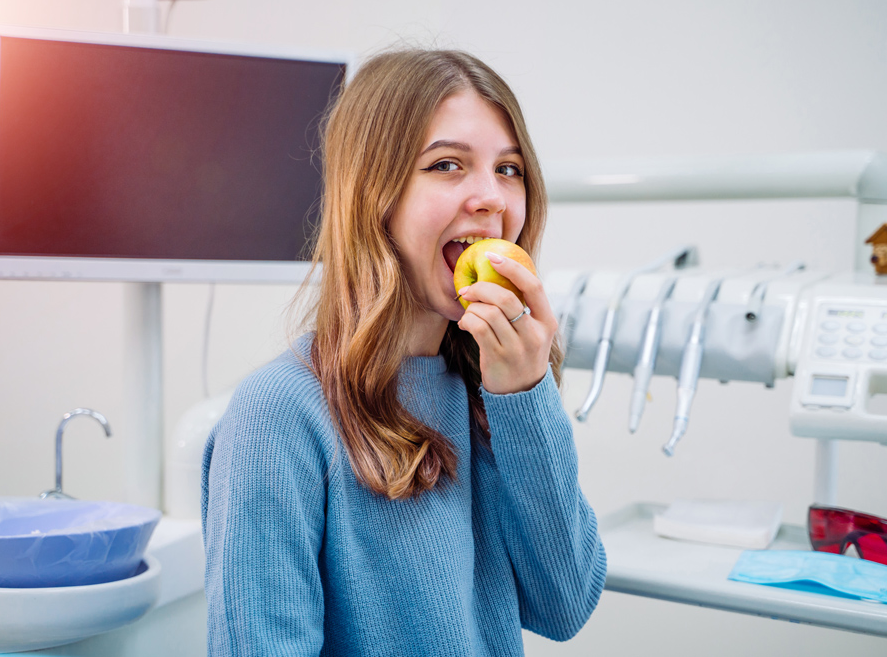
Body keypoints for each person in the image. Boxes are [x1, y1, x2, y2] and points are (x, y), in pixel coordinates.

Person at [201, 47, 606, 656]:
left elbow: (565, 605)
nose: (492, 198)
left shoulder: (492, 389)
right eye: (447, 165)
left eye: (510, 169)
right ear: (373, 196)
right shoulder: (279, 415)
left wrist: (525, 395)